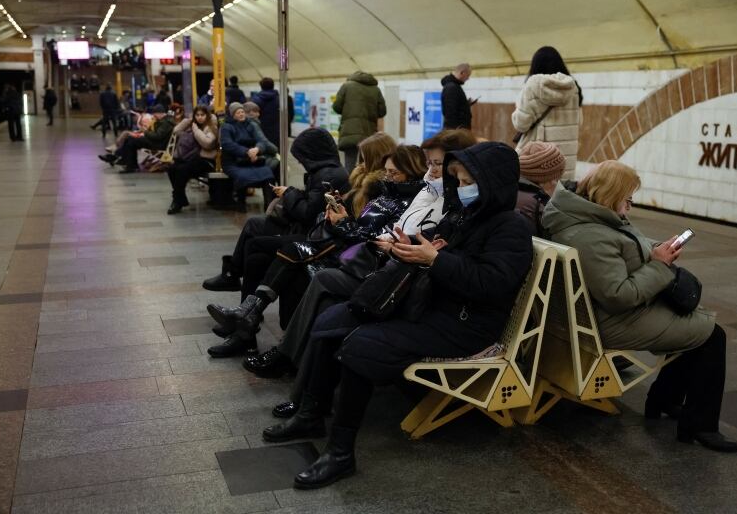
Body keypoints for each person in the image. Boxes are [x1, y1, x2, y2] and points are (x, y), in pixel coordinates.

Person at [262, 141, 533, 489]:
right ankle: (310, 414)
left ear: (493, 182)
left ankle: (341, 452)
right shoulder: (465, 214)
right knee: (330, 320)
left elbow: (490, 283)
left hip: (465, 325)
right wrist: (405, 246)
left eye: (469, 182)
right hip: (432, 306)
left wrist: (435, 260)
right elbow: (437, 242)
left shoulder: (510, 227)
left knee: (361, 345)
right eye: (460, 182)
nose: (462, 188)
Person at [243, 129, 478, 407]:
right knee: (287, 265)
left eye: (439, 165)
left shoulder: (442, 203)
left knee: (315, 280)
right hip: (379, 266)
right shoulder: (421, 194)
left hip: (389, 277)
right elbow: (394, 235)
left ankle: (296, 378)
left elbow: (465, 270)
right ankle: (304, 392)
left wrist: (402, 248)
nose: (434, 171)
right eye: (430, 163)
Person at [541, 161, 737, 453]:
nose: (630, 206)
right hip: (611, 320)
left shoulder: (583, 216)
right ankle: (699, 426)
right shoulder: (590, 234)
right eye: (628, 199)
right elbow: (619, 295)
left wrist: (658, 248)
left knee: (689, 324)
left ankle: (663, 400)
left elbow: (623, 244)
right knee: (711, 336)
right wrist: (659, 265)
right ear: (611, 195)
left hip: (596, 313)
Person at [205, 144, 427, 358]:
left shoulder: (402, 200)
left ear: (410, 171)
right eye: (386, 171)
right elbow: (357, 225)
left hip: (352, 254)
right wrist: (339, 216)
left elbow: (367, 238)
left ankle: (248, 316)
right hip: (337, 239)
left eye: (393, 173)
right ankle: (246, 322)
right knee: (258, 252)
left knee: (282, 250)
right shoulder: (381, 191)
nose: (387, 176)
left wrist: (336, 219)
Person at [202, 128, 350, 295]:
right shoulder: (325, 171)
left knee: (254, 241)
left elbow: (307, 213)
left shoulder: (327, 174)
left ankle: (234, 279)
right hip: (306, 228)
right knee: (253, 226)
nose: (301, 162)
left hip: (309, 233)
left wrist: (289, 193)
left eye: (302, 158)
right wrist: (292, 192)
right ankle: (234, 280)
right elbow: (312, 202)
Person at [512, 46, 582, 180]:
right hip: (565, 159)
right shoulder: (573, 88)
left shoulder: (532, 86)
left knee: (536, 196)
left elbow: (521, 125)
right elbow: (580, 121)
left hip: (538, 158)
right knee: (559, 195)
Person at [220, 102, 278, 211]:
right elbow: (227, 144)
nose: (241, 114)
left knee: (268, 174)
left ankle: (269, 205)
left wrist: (257, 149)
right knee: (242, 176)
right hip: (233, 162)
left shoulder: (250, 124)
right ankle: (241, 203)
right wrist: (246, 152)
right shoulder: (226, 127)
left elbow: (261, 141)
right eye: (238, 113)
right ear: (232, 115)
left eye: (242, 112)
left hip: (252, 159)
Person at [166, 106, 218, 214]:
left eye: (202, 115)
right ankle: (180, 198)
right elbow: (176, 131)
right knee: (172, 169)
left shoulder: (211, 126)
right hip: (191, 159)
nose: (199, 118)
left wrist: (196, 131)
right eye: (197, 115)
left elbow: (208, 143)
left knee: (182, 170)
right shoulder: (191, 124)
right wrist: (188, 121)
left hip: (206, 160)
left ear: (207, 115)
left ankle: (177, 201)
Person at [333, 71, 387, 172]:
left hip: (349, 131)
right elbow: (382, 112)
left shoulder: (346, 86)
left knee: (349, 163)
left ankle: (349, 186)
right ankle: (364, 186)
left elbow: (337, 107)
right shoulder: (376, 90)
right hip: (368, 133)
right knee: (366, 165)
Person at [516, 141, 566, 236]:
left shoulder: (509, 191)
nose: (557, 183)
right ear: (549, 180)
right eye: (557, 178)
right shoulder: (541, 206)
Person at [106, 104, 174, 173]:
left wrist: (145, 132)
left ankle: (123, 160)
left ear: (160, 113)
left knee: (131, 140)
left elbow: (157, 136)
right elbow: (156, 134)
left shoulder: (166, 123)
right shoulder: (164, 121)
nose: (154, 115)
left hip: (158, 144)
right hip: (157, 142)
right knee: (130, 139)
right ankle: (125, 161)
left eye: (155, 113)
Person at [441, 63, 475, 130]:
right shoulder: (451, 87)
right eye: (468, 75)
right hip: (457, 131)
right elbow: (450, 113)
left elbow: (456, 107)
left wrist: (466, 104)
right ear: (462, 73)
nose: (468, 78)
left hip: (459, 130)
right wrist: (455, 134)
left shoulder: (455, 86)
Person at [251, 77, 280, 150]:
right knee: (276, 150)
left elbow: (251, 116)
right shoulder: (279, 99)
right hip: (276, 129)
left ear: (261, 86)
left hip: (260, 129)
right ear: (273, 86)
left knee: (262, 149)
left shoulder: (256, 99)